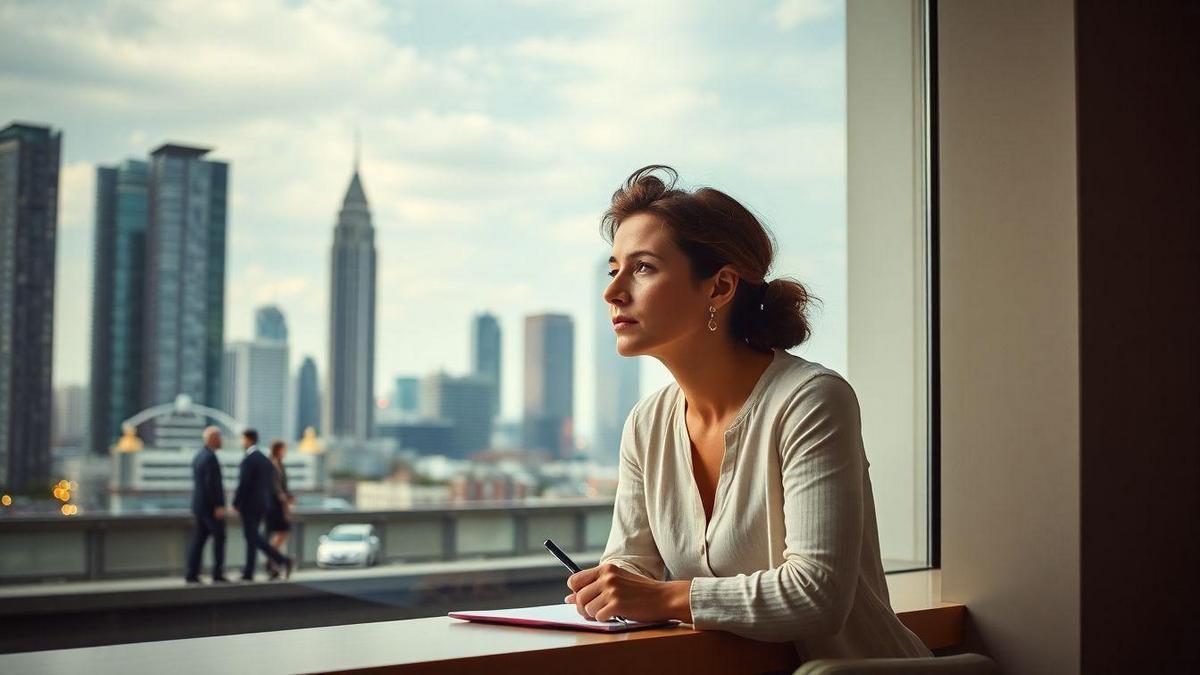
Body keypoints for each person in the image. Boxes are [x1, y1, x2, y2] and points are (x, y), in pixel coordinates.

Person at [565, 166, 932, 660]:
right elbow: (632, 565)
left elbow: (816, 595)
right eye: (614, 270)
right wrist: (611, 588)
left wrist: (667, 597)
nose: (614, 292)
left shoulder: (811, 400)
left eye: (644, 267)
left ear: (719, 288)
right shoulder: (646, 424)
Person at [232, 428, 293, 581]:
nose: (240, 442)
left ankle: (282, 560)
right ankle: (249, 571)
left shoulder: (249, 459)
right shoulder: (265, 460)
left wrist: (235, 503)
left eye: (241, 439)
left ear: (248, 439)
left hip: (249, 505)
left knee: (253, 537)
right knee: (253, 538)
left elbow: (243, 484)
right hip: (263, 505)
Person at [185, 426, 228, 584]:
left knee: (199, 539)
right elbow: (211, 484)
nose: (222, 440)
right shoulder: (210, 458)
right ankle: (217, 573)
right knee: (219, 538)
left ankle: (192, 573)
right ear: (212, 439)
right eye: (219, 437)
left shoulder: (199, 456)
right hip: (210, 508)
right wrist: (218, 505)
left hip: (199, 506)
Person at [264, 439, 294, 580]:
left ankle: (271, 562)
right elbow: (276, 489)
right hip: (275, 507)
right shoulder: (273, 465)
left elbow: (282, 488)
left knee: (281, 534)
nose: (285, 452)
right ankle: (273, 561)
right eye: (284, 449)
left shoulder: (280, 465)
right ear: (277, 450)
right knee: (281, 532)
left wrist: (288, 497)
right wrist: (284, 498)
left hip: (281, 506)